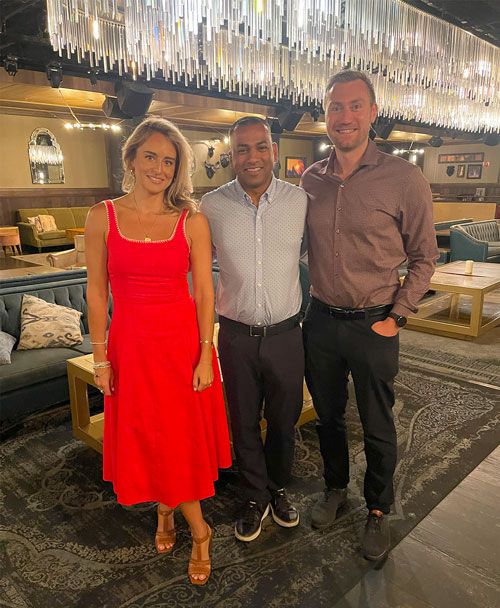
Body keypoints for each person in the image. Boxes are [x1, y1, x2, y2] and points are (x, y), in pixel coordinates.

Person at [85, 117, 231, 585]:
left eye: (169, 161)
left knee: (178, 439)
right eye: (150, 156)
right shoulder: (101, 216)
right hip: (130, 348)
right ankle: (165, 508)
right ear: (130, 158)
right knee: (148, 435)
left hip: (180, 348)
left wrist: (206, 354)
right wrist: (100, 357)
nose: (160, 168)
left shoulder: (193, 220)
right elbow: (96, 293)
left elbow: (205, 293)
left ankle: (199, 530)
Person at [300, 70, 438, 560]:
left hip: (374, 322)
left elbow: (425, 257)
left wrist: (396, 317)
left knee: (378, 423)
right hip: (320, 322)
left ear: (373, 112)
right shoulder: (310, 180)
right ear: (325, 115)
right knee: (328, 418)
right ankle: (335, 489)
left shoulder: (404, 178)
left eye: (355, 105)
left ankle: (378, 508)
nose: (345, 116)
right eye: (335, 107)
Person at [201, 116, 308, 542]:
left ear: (274, 152)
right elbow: (193, 265)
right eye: (242, 149)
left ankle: (277, 488)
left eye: (261, 147)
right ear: (232, 156)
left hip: (286, 335)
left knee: (284, 421)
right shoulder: (211, 206)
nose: (252, 157)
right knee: (243, 421)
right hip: (235, 337)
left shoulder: (300, 202)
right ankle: (253, 496)